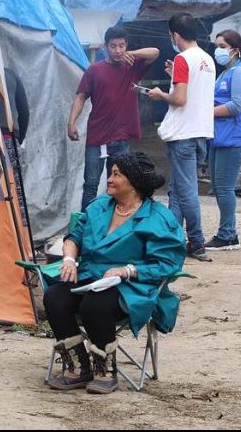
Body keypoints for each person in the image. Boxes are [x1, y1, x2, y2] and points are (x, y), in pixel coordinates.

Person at [43, 152, 186, 394]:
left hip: (133, 285)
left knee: (94, 305)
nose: (109, 179)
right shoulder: (100, 206)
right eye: (111, 173)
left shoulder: (157, 217)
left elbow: (168, 263)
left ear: (134, 183)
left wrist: (126, 270)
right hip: (90, 276)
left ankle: (105, 370)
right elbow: (74, 237)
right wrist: (68, 258)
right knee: (55, 297)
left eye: (116, 175)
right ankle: (79, 367)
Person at [68, 26, 159, 211]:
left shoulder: (132, 66)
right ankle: (87, 224)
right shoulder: (94, 70)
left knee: (120, 185)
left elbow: (155, 53)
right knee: (91, 184)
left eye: (121, 45)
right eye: (113, 46)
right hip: (97, 136)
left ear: (126, 45)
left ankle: (114, 221)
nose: (118, 50)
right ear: (105, 47)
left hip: (121, 136)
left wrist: (132, 53)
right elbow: (80, 96)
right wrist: (71, 122)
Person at [148, 13, 215, 262]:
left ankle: (196, 242)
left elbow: (180, 99)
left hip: (184, 134)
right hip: (200, 132)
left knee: (186, 191)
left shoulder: (183, 58)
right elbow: (193, 92)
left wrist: (159, 94)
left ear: (175, 35)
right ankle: (172, 240)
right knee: (177, 190)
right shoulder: (207, 59)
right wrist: (173, 77)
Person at [205, 30, 241, 251]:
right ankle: (230, 234)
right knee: (218, 187)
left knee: (224, 188)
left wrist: (206, 112)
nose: (218, 50)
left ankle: (226, 235)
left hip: (234, 137)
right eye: (217, 45)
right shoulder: (224, 73)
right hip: (219, 137)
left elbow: (236, 106)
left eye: (223, 46)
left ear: (235, 49)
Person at [0, 67, 31, 226]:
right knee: (16, 189)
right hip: (9, 138)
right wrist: (19, 137)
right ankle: (22, 232)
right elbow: (24, 112)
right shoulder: (9, 74)